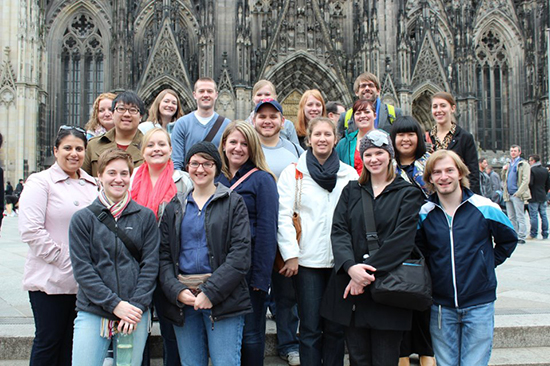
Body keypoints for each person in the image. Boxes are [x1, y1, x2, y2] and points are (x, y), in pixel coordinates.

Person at [321, 129, 424, 365]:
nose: (374, 159)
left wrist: (362, 273)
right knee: (357, 358)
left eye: (379, 152)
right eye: (368, 154)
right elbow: (339, 231)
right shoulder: (350, 191)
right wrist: (349, 267)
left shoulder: (407, 194)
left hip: (388, 289)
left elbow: (401, 242)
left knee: (385, 359)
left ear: (390, 155)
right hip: (352, 290)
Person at [416, 150, 518, 366]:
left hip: (479, 303)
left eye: (449, 170)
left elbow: (508, 239)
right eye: (437, 172)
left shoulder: (485, 207)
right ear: (430, 178)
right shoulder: (425, 213)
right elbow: (421, 251)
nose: (443, 177)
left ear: (460, 173)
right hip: (441, 306)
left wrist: (486, 263)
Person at [158, 141, 252, 366]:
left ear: (217, 168)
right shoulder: (175, 206)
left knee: (225, 362)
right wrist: (176, 291)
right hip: (184, 299)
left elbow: (240, 254)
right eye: (195, 163)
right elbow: (163, 256)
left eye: (207, 163)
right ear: (187, 167)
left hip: (223, 297)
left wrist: (210, 292)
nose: (200, 169)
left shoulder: (233, 203)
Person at [278, 117, 358, 366]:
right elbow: (283, 215)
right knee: (311, 328)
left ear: (335, 139)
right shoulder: (294, 173)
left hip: (339, 263)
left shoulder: (349, 174)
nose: (322, 139)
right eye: (317, 134)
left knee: (335, 329)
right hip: (307, 262)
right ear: (308, 139)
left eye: (327, 134)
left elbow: (355, 219)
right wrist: (291, 254)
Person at [69, 148, 160, 366]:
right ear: (99, 176)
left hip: (134, 311)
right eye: (111, 173)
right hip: (94, 309)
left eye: (124, 174)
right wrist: (115, 304)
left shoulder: (145, 217)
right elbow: (83, 271)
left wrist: (135, 305)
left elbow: (150, 265)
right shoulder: (82, 219)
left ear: (131, 176)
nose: (118, 179)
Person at [18, 126, 98, 365]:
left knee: (72, 347)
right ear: (55, 150)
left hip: (82, 283)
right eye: (67, 148)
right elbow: (31, 230)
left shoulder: (92, 184)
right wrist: (66, 258)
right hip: (49, 281)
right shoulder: (40, 182)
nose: (74, 153)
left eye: (79, 149)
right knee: (48, 342)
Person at [217, 121, 279, 366]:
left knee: (251, 335)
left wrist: (261, 278)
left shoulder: (263, 180)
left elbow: (267, 230)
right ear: (223, 145)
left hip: (250, 270)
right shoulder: (214, 179)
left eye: (245, 144)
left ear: (253, 148)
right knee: (225, 334)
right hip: (219, 270)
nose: (238, 148)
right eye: (233, 142)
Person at [130, 128, 193, 365]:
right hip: (137, 263)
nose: (156, 149)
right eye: (150, 145)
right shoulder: (132, 177)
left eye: (162, 145)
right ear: (143, 151)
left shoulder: (183, 180)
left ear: (170, 149)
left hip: (169, 264)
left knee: (170, 328)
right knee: (136, 326)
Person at [251, 99, 302, 365]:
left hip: (284, 230)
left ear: (283, 121)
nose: (268, 121)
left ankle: (289, 344)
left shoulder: (294, 149)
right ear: (254, 120)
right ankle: (252, 346)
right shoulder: (246, 148)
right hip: (255, 230)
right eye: (262, 117)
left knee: (286, 293)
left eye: (273, 116)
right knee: (255, 292)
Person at [389, 117, 435, 366]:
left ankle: (427, 350)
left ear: (419, 137)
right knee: (400, 294)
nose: (405, 139)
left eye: (410, 134)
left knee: (425, 295)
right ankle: (403, 352)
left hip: (427, 236)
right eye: (400, 135)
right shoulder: (387, 165)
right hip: (396, 237)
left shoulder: (430, 163)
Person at [171, 78, 231, 169]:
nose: (206, 95)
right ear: (195, 95)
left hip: (217, 181)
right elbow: (176, 162)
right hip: (189, 180)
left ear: (216, 95)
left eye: (210, 91)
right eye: (201, 91)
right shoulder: (182, 124)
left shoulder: (227, 125)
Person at [83, 90, 145, 177]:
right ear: (112, 114)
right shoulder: (93, 145)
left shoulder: (149, 147)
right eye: (121, 109)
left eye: (133, 110)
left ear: (140, 117)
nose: (127, 114)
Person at [429, 91, 480, 194]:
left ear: (452, 108)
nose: (438, 110)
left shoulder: (464, 137)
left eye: (443, 106)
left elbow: (473, 174)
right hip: (433, 195)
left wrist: (470, 199)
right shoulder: (426, 138)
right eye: (435, 107)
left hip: (459, 195)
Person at [337, 72, 402, 137]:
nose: (367, 88)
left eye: (371, 85)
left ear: (378, 91)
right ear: (356, 92)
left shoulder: (395, 113)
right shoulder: (345, 117)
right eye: (363, 86)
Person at [245, 79, 299, 145]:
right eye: (259, 95)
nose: (263, 98)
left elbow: (296, 151)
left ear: (275, 97)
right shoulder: (244, 126)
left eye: (267, 94)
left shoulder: (287, 125)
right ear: (253, 98)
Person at [335, 99, 377, 175]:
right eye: (358, 113)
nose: (363, 116)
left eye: (367, 112)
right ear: (354, 118)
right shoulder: (344, 144)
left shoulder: (386, 139)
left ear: (374, 115)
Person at [502, 144, 530, 244]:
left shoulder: (523, 164)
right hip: (508, 194)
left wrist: (518, 193)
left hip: (517, 194)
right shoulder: (509, 163)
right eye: (511, 151)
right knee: (511, 217)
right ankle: (514, 235)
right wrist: (503, 170)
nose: (513, 152)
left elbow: (525, 180)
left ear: (519, 152)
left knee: (520, 216)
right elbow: (504, 179)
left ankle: (521, 236)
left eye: (515, 151)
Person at [527, 154, 550, 240]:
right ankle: (545, 232)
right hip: (542, 195)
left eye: (530, 161)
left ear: (533, 161)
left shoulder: (532, 170)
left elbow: (531, 183)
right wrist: (544, 191)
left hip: (533, 195)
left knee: (534, 215)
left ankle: (533, 233)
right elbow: (548, 184)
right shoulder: (545, 170)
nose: (529, 162)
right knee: (543, 214)